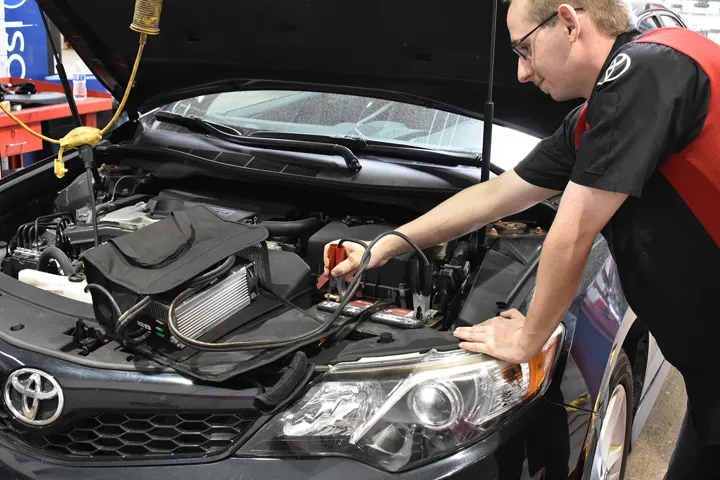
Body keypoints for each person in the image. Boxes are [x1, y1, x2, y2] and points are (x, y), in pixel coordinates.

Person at [323, 0, 720, 477]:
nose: (521, 73)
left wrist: (528, 338)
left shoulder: (646, 70)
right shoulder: (601, 115)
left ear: (569, 22)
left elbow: (573, 230)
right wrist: (385, 245)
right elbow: (497, 195)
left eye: (524, 49)